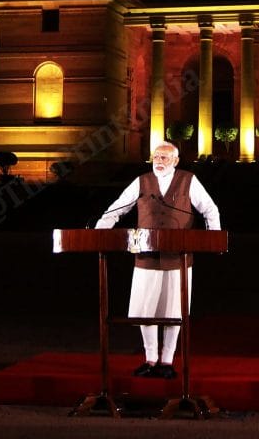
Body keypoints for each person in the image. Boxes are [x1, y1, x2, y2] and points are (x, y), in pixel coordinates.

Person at [93, 140, 221, 379]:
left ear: (176, 161)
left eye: (164, 157)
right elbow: (117, 208)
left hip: (178, 258)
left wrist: (214, 237)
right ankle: (150, 359)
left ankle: (167, 361)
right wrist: (100, 230)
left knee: (174, 310)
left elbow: (209, 209)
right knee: (146, 308)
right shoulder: (141, 181)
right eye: (156, 157)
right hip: (146, 256)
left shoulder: (188, 180)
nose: (158, 161)